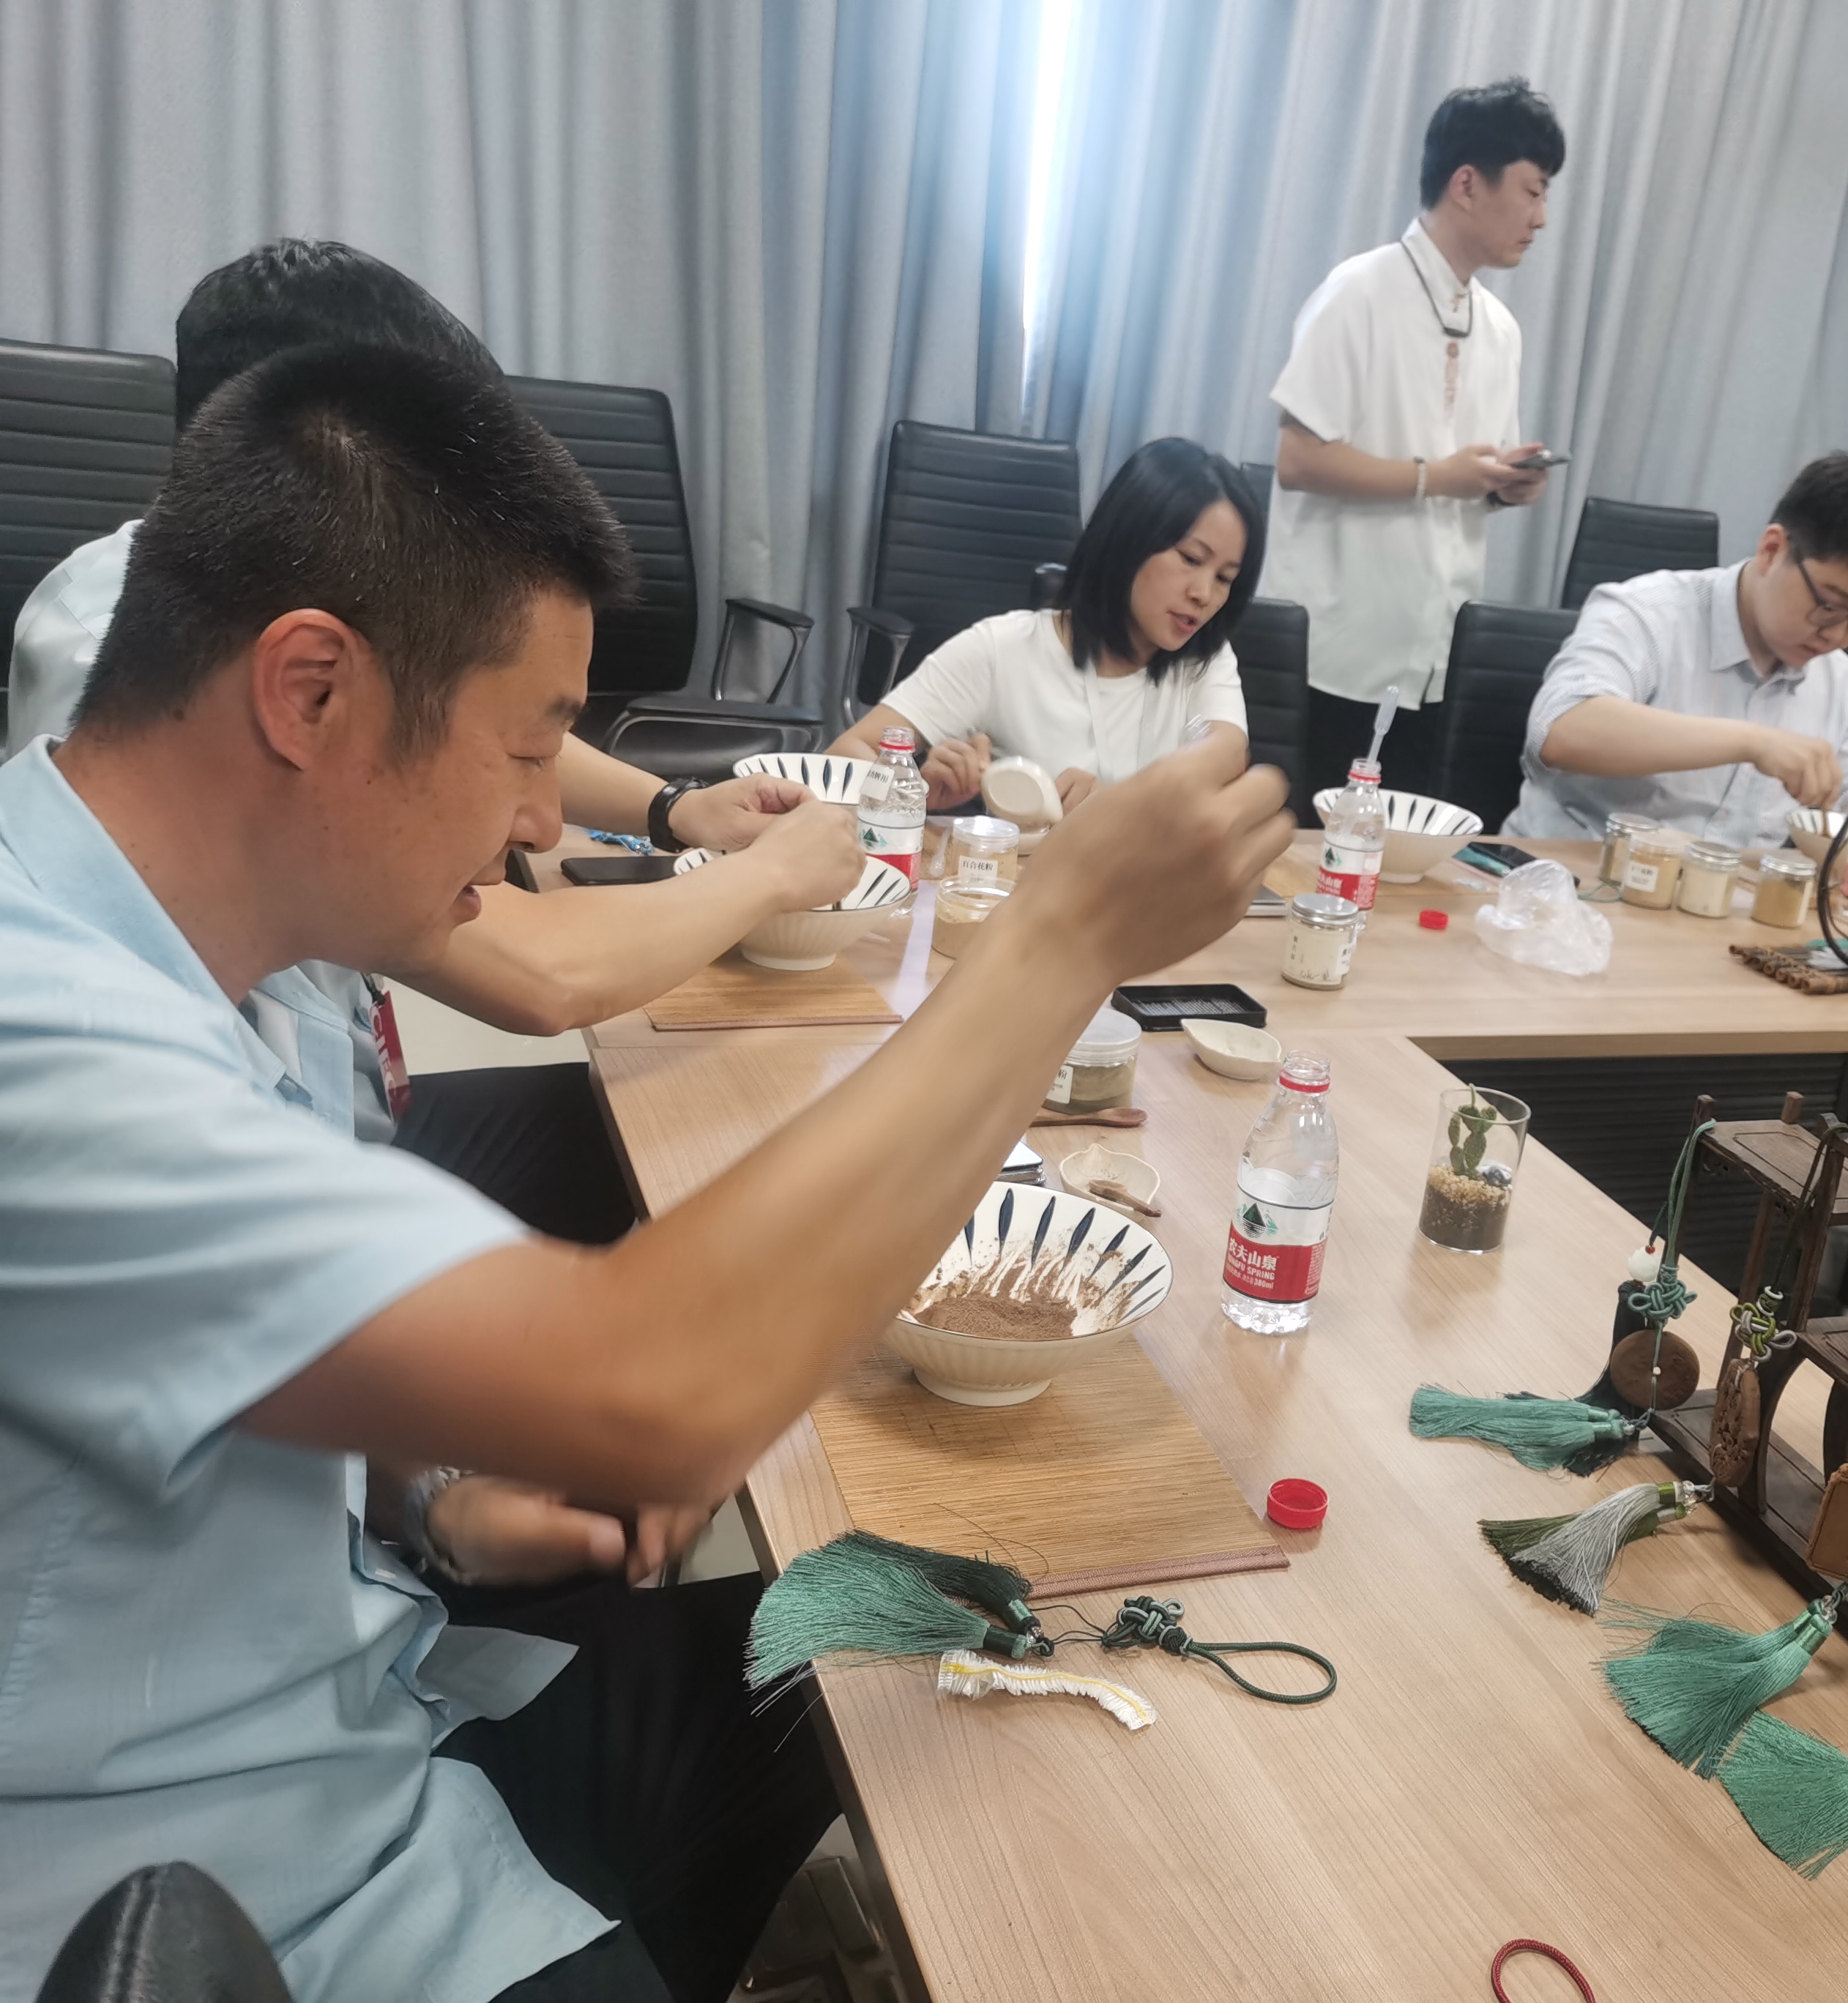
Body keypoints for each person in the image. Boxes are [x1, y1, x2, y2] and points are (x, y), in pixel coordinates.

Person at [0, 342, 1288, 1999]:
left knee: (876, 1643)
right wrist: (1062, 938)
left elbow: (185, 1383)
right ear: (309, 692)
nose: (549, 819)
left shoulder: (235, 942)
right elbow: (654, 1391)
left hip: (371, 1686)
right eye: (531, 742)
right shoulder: (46, 1033)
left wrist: (430, 1493)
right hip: (226, 1890)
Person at [10, 239, 860, 1258]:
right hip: (286, 1169)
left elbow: (475, 719)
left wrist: (672, 811)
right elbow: (539, 972)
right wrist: (776, 879)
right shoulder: (124, 657)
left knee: (685, 1136)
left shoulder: (267, 627)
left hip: (341, 1104)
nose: (538, 825)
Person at [1268, 78, 1564, 802]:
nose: (1541, 217)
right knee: (1302, 843)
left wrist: (1506, 485)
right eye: (1532, 191)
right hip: (1335, 648)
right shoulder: (1359, 292)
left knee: (1393, 851)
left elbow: (1471, 475)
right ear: (1467, 184)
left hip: (1436, 653)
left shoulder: (1501, 329)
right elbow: (1299, 459)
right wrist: (1437, 477)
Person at [1505, 453, 1848, 844]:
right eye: (1829, 607)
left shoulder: (1835, 677)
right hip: (1571, 877)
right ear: (1772, 550)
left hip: (1727, 891)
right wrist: (1752, 742)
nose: (1837, 636)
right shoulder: (1648, 613)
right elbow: (1559, 729)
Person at [831, 438, 1258, 809]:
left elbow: (1228, 759)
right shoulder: (1002, 650)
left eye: (1225, 578)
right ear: (1128, 539)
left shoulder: (1206, 657)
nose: (1205, 594)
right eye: (1191, 559)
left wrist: (1114, 807)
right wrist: (914, 795)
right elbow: (845, 754)